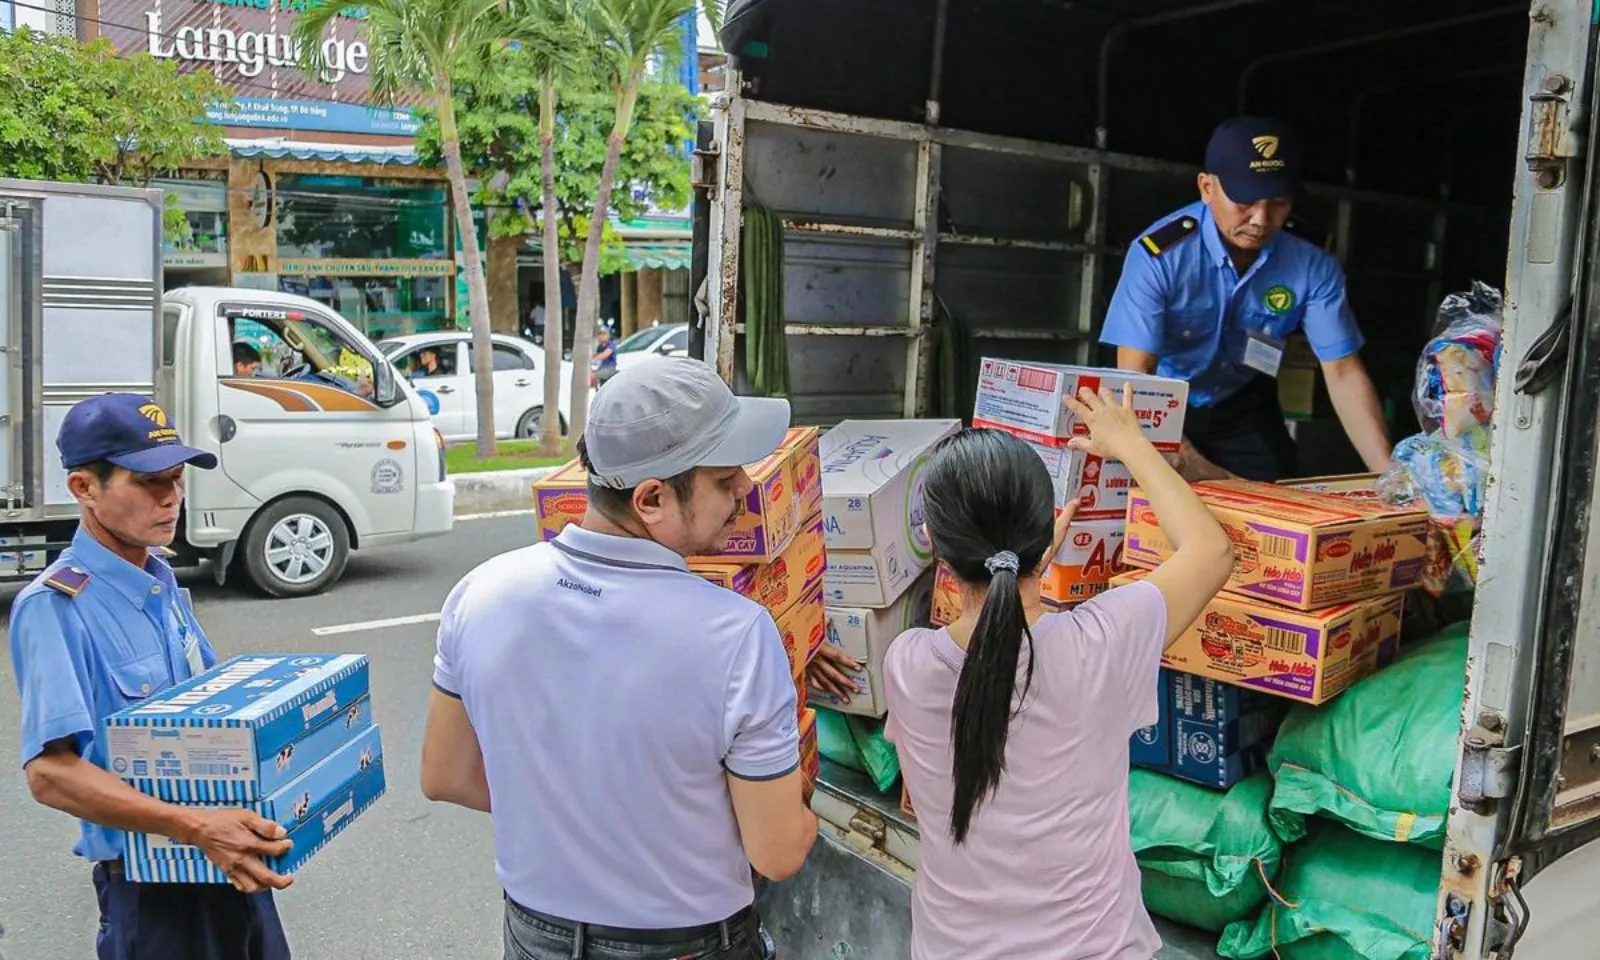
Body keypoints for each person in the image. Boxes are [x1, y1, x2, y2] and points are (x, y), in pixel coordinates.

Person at [420, 357, 818, 960]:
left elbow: (445, 776)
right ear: (651, 498)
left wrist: (578, 811)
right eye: (723, 477)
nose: (745, 488)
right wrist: (801, 800)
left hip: (534, 938)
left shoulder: (480, 593)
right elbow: (780, 853)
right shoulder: (735, 633)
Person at [883, 384, 1235, 960]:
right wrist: (1131, 443)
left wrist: (1022, 570)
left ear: (934, 548)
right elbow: (1211, 550)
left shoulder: (909, 665)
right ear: (1048, 534)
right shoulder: (1102, 642)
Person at [9, 393, 295, 960]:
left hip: (226, 862)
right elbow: (50, 773)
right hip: (155, 889)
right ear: (84, 489)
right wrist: (194, 827)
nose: (171, 498)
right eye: (147, 483)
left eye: (176, 479)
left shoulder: (160, 581)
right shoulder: (56, 606)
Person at [1099, 115, 1393, 482]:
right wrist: (1192, 465)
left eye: (1278, 202)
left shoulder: (1311, 261)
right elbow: (1135, 378)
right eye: (1245, 201)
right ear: (1207, 188)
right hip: (1164, 404)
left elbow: (1343, 371)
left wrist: (1390, 478)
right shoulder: (1160, 255)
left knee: (1277, 498)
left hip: (1242, 402)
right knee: (1166, 503)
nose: (1261, 219)